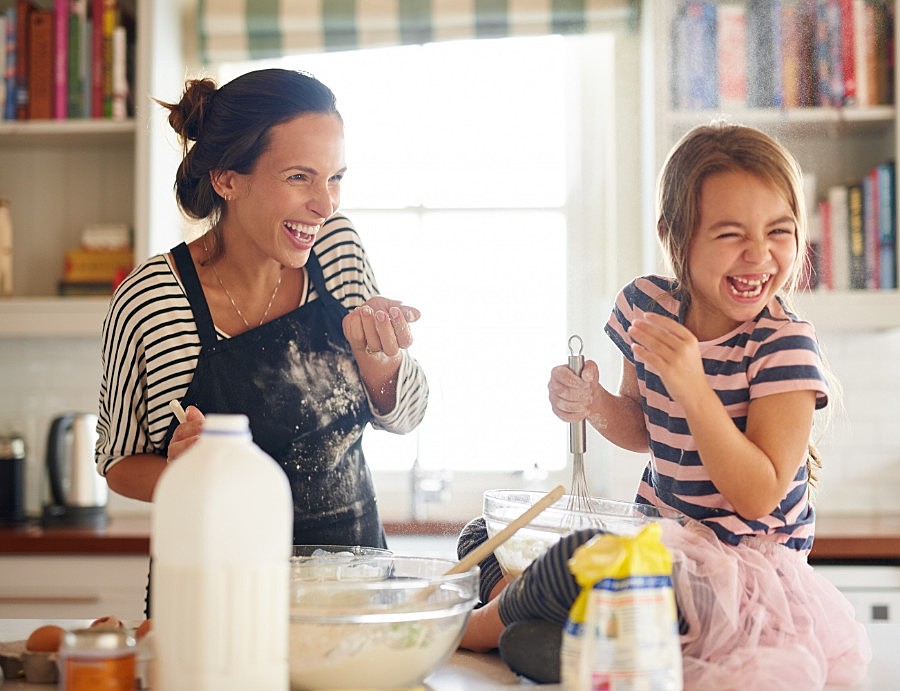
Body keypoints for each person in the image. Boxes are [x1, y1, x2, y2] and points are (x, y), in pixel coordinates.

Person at [456, 122, 871, 688]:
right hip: (658, 551)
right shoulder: (646, 307)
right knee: (484, 535)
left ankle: (473, 626)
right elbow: (643, 429)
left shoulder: (784, 345)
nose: (759, 255)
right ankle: (548, 628)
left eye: (779, 230)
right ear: (674, 234)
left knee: (580, 554)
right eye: (730, 234)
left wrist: (693, 385)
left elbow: (756, 494)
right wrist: (594, 403)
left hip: (737, 580)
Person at [96, 69, 428, 606]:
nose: (326, 204)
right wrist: (187, 477)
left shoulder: (337, 251)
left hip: (349, 593)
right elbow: (119, 463)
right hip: (214, 599)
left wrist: (380, 361)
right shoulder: (154, 300)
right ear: (227, 179)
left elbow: (406, 415)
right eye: (300, 177)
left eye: (335, 177)